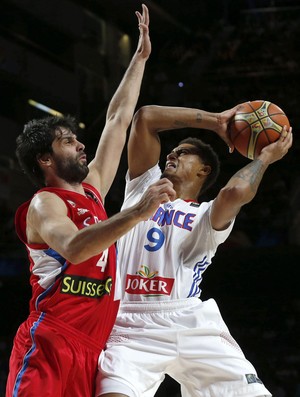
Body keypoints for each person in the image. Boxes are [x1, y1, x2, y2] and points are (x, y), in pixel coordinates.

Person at [5, 6, 176, 397]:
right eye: (68, 141)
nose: (81, 144)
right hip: (50, 341)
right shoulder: (45, 204)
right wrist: (137, 211)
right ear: (45, 159)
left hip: (93, 349)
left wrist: (140, 58)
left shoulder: (93, 191)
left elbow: (117, 119)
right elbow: (76, 247)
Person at [96, 104, 293, 397]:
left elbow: (234, 193)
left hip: (189, 319)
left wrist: (265, 157)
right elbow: (146, 118)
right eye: (173, 150)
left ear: (204, 170)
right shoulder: (143, 188)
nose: (171, 154)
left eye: (184, 151)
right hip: (129, 320)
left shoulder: (206, 216)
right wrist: (216, 121)